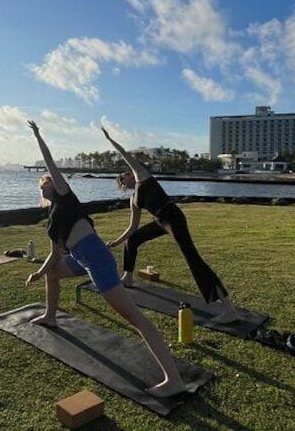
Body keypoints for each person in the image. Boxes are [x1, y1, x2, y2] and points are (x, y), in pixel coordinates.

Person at [25, 120, 186, 397]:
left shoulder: (64, 196)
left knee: (134, 317)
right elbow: (54, 255)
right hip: (81, 258)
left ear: (55, 184)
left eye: (48, 180)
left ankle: (174, 379)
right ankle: (51, 316)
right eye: (42, 181)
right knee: (53, 274)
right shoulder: (52, 220)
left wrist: (38, 135)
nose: (45, 181)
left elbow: (51, 163)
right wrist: (39, 273)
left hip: (96, 258)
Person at [101, 126, 239, 323]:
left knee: (194, 260)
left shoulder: (142, 175)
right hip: (160, 221)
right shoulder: (134, 201)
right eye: (122, 182)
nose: (125, 180)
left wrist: (110, 140)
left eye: (125, 176)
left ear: (131, 174)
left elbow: (124, 154)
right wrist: (116, 241)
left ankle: (228, 310)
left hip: (173, 217)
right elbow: (132, 227)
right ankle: (128, 276)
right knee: (133, 239)